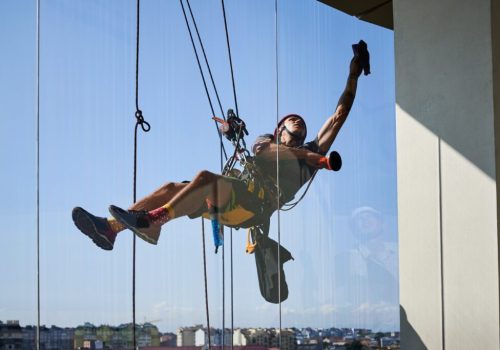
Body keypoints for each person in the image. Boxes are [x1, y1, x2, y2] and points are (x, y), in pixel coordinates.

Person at [72, 40, 370, 251]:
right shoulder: (266, 143)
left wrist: (352, 74)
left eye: (302, 126)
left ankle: (154, 221)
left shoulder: (312, 154)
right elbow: (267, 154)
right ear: (280, 130)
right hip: (238, 198)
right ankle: (111, 229)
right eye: (293, 122)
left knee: (204, 178)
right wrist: (312, 157)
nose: (300, 124)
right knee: (173, 187)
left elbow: (338, 116)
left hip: (255, 205)